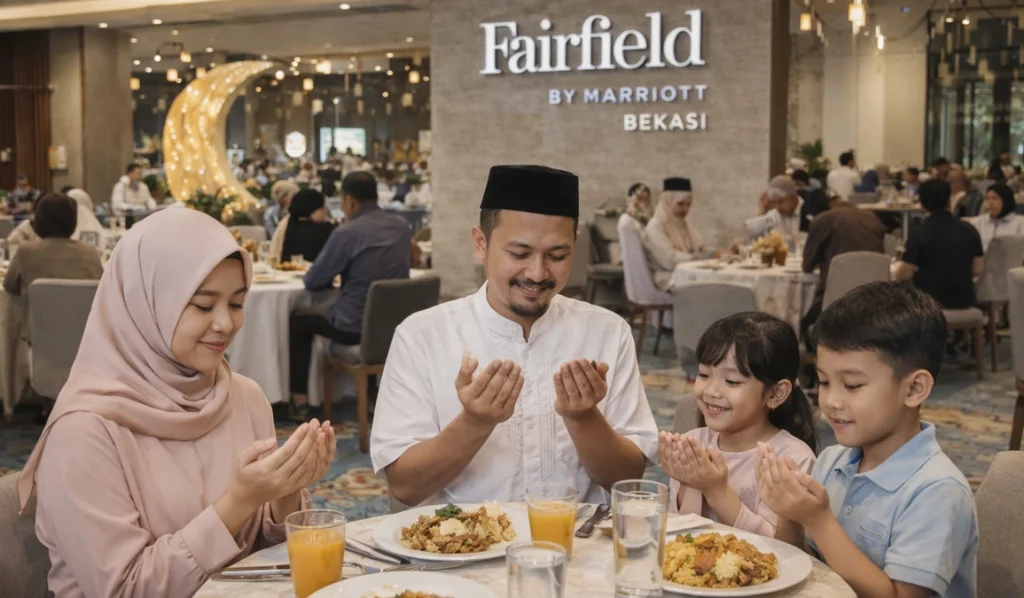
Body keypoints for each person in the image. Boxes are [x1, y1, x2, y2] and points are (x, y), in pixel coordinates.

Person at [16, 208, 335, 597]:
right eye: (203, 305)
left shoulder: (245, 397)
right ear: (144, 304)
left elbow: (268, 564)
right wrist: (236, 503)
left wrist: (287, 491)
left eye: (236, 303)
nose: (225, 323)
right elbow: (123, 590)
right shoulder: (84, 431)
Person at [370, 165, 659, 506]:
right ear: (481, 243)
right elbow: (404, 486)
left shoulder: (607, 332)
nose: (537, 273)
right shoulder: (422, 335)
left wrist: (584, 418)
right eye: (519, 254)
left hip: (580, 549)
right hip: (459, 553)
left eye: (557, 255)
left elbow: (627, 480)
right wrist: (475, 422)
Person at [758, 282, 978, 598]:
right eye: (823, 381)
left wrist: (818, 520)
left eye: (852, 385)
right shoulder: (833, 460)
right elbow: (802, 569)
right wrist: (788, 512)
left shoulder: (937, 491)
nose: (831, 400)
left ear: (914, 389)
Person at [659, 312, 817, 538]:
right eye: (704, 375)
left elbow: (781, 549)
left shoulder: (791, 460)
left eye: (732, 381)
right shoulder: (696, 442)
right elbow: (681, 533)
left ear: (775, 393)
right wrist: (690, 483)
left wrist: (716, 491)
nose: (711, 391)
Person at [288, 172, 412, 416]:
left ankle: (299, 401)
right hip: (396, 327)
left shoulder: (348, 232)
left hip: (353, 328)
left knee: (298, 321)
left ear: (350, 202)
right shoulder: (401, 226)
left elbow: (313, 281)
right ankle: (373, 394)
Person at [800, 196, 885, 350]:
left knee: (800, 316)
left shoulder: (824, 220)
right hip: (876, 302)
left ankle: (815, 360)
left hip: (836, 304)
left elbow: (807, 265)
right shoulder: (873, 219)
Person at [3, 193, 104, 312]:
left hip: (35, 327)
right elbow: (100, 289)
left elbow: (9, 286)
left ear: (38, 220)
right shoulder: (90, 252)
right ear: (73, 221)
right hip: (81, 326)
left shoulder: (26, 252)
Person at [893, 179, 984, 311]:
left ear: (922, 203)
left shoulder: (919, 233)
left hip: (928, 303)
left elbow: (904, 275)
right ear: (949, 199)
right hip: (964, 300)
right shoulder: (969, 229)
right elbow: (978, 270)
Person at [644, 178, 714, 288]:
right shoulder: (655, 227)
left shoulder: (683, 222)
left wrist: (719, 254)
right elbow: (669, 260)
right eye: (680, 204)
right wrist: (701, 258)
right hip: (668, 277)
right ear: (668, 202)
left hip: (686, 272)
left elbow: (698, 248)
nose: (685, 209)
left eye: (688, 205)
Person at [278, 188, 335, 263]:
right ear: (312, 209)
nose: (325, 212)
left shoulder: (288, 225)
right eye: (322, 207)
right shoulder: (326, 230)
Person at [967, 182, 1024, 251]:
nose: (990, 203)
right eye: (987, 199)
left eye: (995, 198)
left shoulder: (1020, 222)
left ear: (1006, 200)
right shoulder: (976, 223)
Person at [746, 176, 800, 241]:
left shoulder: (809, 209)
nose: (777, 207)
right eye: (774, 202)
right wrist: (762, 211)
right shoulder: (774, 215)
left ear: (793, 198)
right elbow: (752, 233)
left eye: (780, 201)